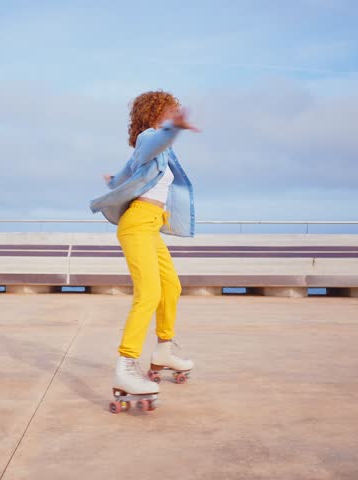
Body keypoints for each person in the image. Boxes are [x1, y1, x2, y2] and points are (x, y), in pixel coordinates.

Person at [89, 90, 200, 399]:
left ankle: (164, 349)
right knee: (149, 293)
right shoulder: (149, 138)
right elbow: (154, 142)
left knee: (171, 287)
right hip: (137, 224)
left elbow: (129, 172)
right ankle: (125, 367)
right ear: (154, 114)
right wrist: (174, 128)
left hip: (151, 225)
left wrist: (113, 181)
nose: (173, 115)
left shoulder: (155, 151)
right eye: (169, 111)